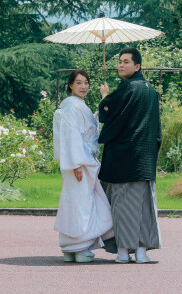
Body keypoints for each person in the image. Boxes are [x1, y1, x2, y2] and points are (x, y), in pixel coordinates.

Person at [98, 47, 162, 264]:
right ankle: (142, 251)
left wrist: (105, 97)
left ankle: (123, 251)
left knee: (123, 205)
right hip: (144, 159)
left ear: (137, 66)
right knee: (144, 207)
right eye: (119, 61)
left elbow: (109, 115)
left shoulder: (128, 88)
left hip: (124, 158)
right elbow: (156, 128)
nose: (121, 65)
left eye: (126, 62)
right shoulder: (150, 89)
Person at [53, 69, 114, 263]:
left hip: (79, 160)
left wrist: (105, 99)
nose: (84, 86)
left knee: (75, 202)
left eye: (86, 82)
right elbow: (72, 137)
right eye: (79, 83)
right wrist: (76, 163)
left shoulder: (76, 106)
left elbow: (89, 129)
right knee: (82, 204)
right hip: (79, 162)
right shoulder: (72, 106)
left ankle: (71, 248)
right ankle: (80, 248)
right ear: (70, 85)